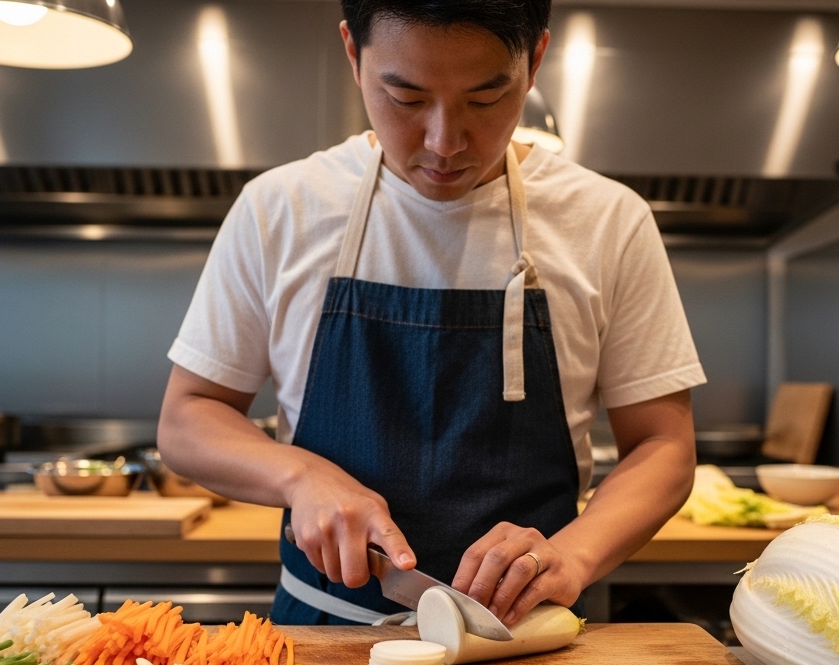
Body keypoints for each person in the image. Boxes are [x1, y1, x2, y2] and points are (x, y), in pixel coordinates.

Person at [158, 0, 705, 628]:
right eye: (407, 98)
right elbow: (188, 417)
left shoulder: (609, 220)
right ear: (353, 54)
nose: (445, 143)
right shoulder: (280, 209)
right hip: (323, 635)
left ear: (534, 62)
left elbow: (664, 445)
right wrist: (299, 476)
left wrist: (573, 556)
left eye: (484, 98)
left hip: (528, 640)